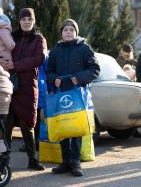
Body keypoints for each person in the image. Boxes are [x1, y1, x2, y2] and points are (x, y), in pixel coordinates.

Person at [47, 19, 100, 177]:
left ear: (76, 32)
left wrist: (79, 78)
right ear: (61, 33)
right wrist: (54, 79)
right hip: (61, 94)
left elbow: (95, 69)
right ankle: (65, 161)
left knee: (76, 128)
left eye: (71, 30)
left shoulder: (84, 48)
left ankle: (76, 162)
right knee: (63, 127)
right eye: (65, 30)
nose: (68, 32)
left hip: (78, 94)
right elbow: (49, 71)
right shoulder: (55, 50)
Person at [1, 8, 47, 171]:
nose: (26, 22)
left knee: (27, 125)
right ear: (19, 21)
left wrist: (16, 65)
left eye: (30, 19)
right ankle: (3, 160)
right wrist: (2, 62)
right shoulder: (11, 37)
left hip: (28, 87)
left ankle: (32, 159)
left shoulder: (39, 38)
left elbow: (39, 58)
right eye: (23, 19)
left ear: (34, 21)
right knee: (6, 125)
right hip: (9, 86)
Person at [19, 54, 48, 152]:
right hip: (28, 89)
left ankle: (37, 142)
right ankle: (30, 143)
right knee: (29, 119)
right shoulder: (25, 54)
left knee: (38, 120)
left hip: (39, 90)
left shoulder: (44, 56)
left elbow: (48, 72)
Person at [116, 44, 141, 138]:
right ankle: (122, 130)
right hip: (122, 88)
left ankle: (134, 130)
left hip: (133, 87)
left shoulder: (133, 62)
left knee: (134, 110)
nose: (128, 55)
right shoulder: (117, 62)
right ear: (122, 52)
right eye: (126, 53)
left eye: (129, 53)